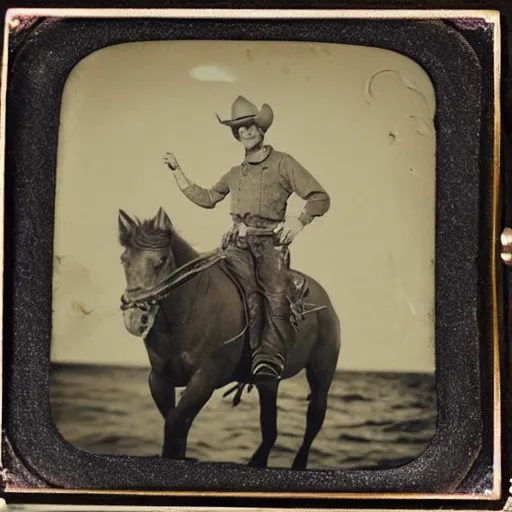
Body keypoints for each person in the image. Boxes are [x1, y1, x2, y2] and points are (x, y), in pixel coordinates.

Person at [164, 96, 330, 381]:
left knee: (274, 297)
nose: (247, 132)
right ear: (236, 134)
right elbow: (207, 198)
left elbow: (320, 197)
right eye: (240, 128)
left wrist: (299, 221)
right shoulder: (233, 174)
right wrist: (179, 174)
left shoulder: (284, 164)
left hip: (270, 246)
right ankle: (219, 351)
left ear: (261, 129)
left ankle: (269, 357)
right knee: (214, 284)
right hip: (236, 245)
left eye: (251, 125)